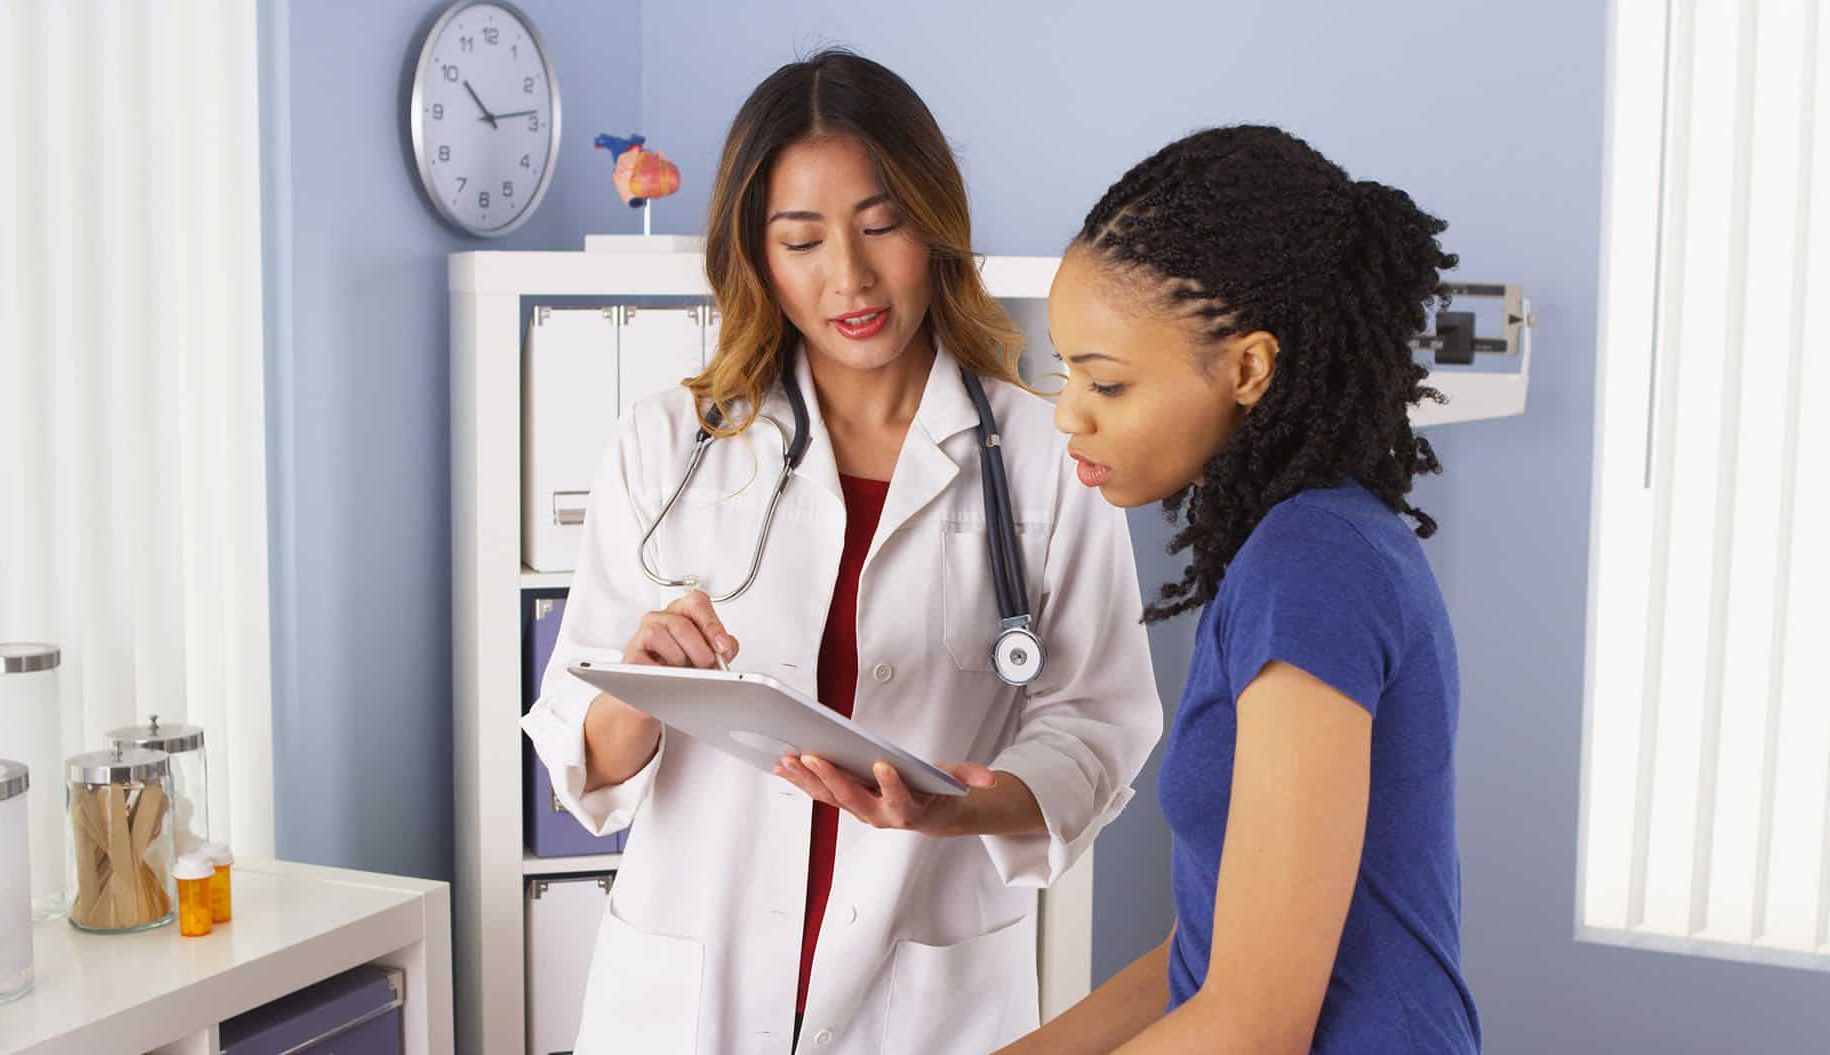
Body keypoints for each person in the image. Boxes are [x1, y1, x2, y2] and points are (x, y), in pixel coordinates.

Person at [520, 50, 1162, 1054]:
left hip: (926, 995)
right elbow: (582, 760)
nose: (849, 278)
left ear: (934, 224)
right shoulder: (668, 444)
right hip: (692, 994)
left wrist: (960, 809)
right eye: (802, 239)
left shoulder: (1043, 455)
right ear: (757, 254)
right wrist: (640, 686)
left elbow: (1099, 718)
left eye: (882, 224)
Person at [1003, 125, 1482, 1053]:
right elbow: (1201, 957)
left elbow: (1254, 1024)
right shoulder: (1296, 548)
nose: (1068, 414)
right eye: (1065, 374)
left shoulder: (1312, 562)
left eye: (1106, 383)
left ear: (1248, 368)